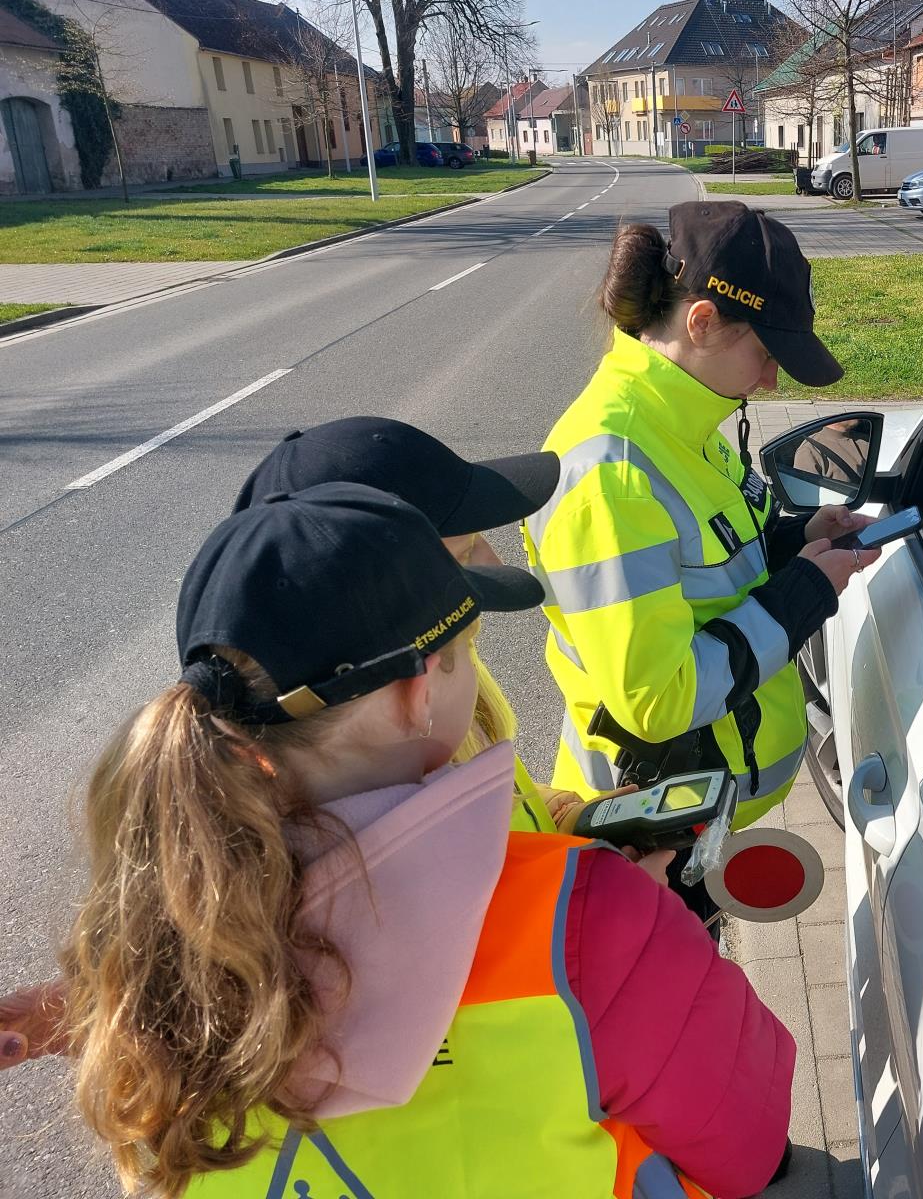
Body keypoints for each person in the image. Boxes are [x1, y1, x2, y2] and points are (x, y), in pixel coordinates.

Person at [44, 483, 794, 1197]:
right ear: (422, 687)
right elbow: (749, 1149)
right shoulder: (587, 915)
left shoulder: (147, 938)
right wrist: (643, 936)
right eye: (468, 649)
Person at [526, 201, 878, 844]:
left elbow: (705, 568)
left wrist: (794, 542)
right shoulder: (610, 474)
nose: (771, 381)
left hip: (691, 820)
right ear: (704, 321)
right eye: (768, 352)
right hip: (638, 840)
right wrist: (801, 595)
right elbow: (659, 700)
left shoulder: (680, 423)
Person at [233, 416, 582, 834]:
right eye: (466, 550)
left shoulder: (432, 668)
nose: (495, 561)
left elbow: (495, 804)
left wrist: (559, 817)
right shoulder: (389, 765)